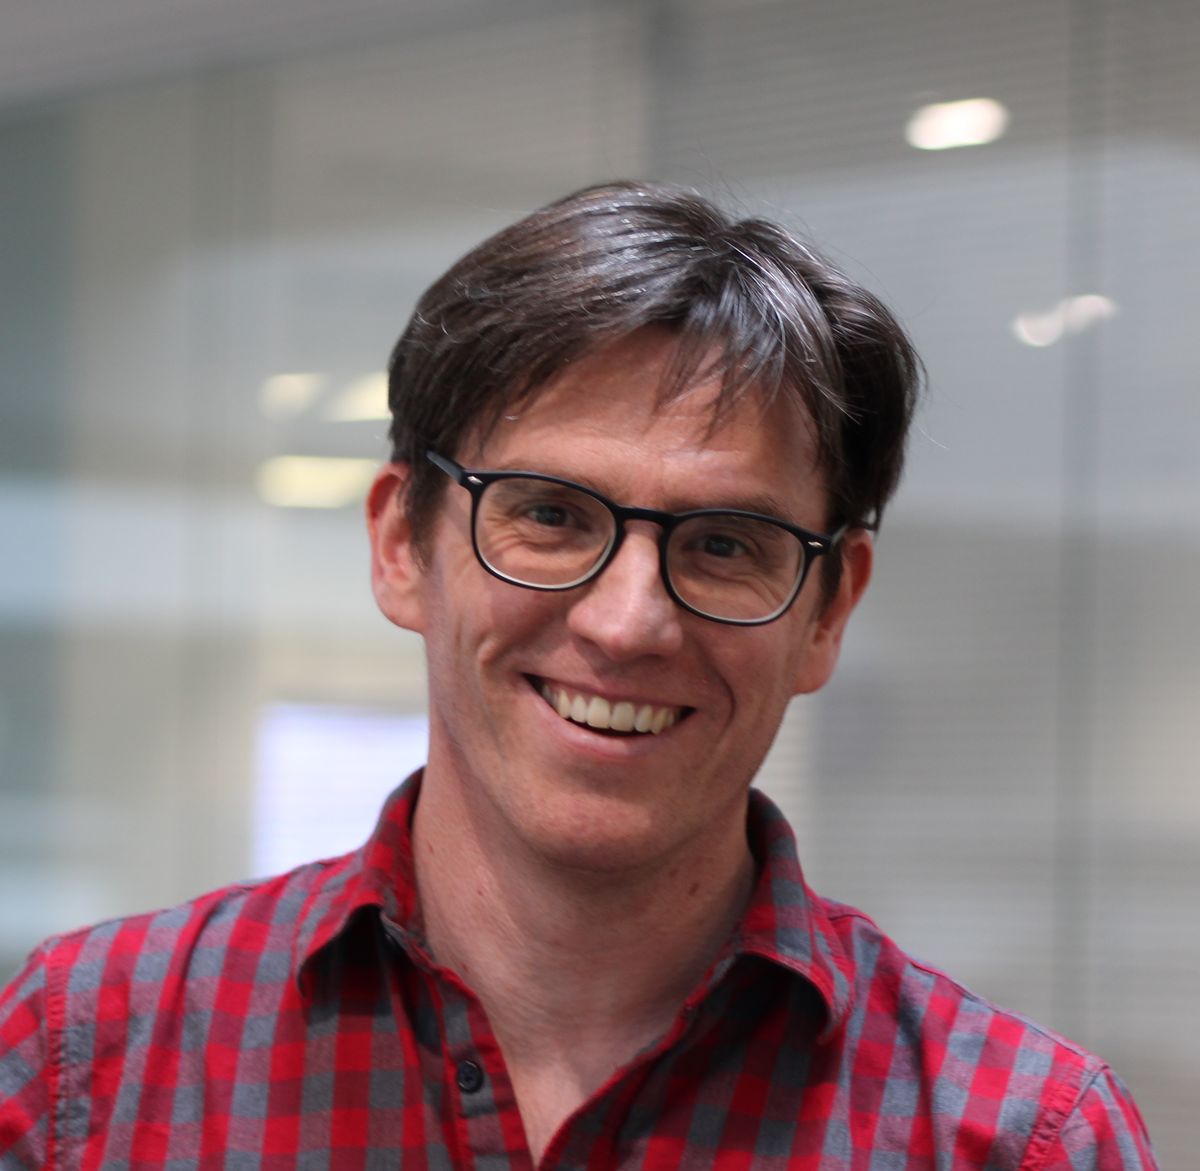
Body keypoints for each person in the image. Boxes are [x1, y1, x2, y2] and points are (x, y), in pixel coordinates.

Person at [0, 181, 1156, 1169]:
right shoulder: (81, 1070)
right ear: (401, 543)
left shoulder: (1015, 1141)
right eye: (551, 515)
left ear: (828, 610)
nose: (629, 621)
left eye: (725, 543)